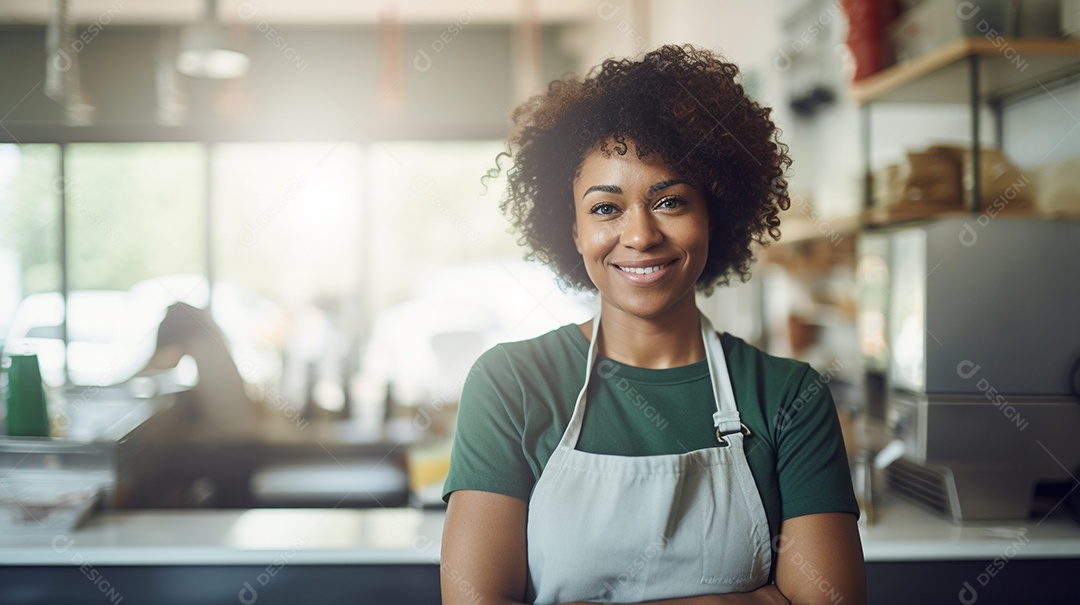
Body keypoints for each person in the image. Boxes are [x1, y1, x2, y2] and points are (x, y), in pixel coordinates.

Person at [440, 44, 865, 605]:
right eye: (606, 208)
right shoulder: (511, 384)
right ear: (572, 231)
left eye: (670, 201)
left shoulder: (789, 396)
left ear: (716, 214)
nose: (640, 236)